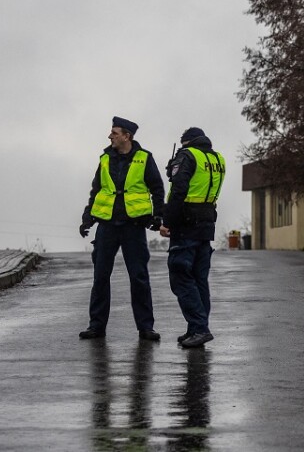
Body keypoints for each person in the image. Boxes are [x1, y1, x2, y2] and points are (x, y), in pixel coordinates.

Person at [78, 116, 165, 341]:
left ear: (127, 136)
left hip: (133, 226)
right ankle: (96, 326)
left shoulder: (144, 158)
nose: (110, 136)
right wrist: (88, 217)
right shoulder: (105, 158)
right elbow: (96, 189)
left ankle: (146, 327)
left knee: (138, 277)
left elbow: (157, 188)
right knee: (100, 277)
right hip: (107, 225)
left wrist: (157, 215)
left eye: (114, 133)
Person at [160, 127, 225, 348]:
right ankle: (196, 327)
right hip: (207, 224)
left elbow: (179, 191)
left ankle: (199, 328)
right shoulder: (217, 159)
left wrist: (167, 221)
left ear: (186, 141)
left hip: (186, 224)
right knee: (199, 279)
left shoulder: (186, 155)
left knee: (180, 274)